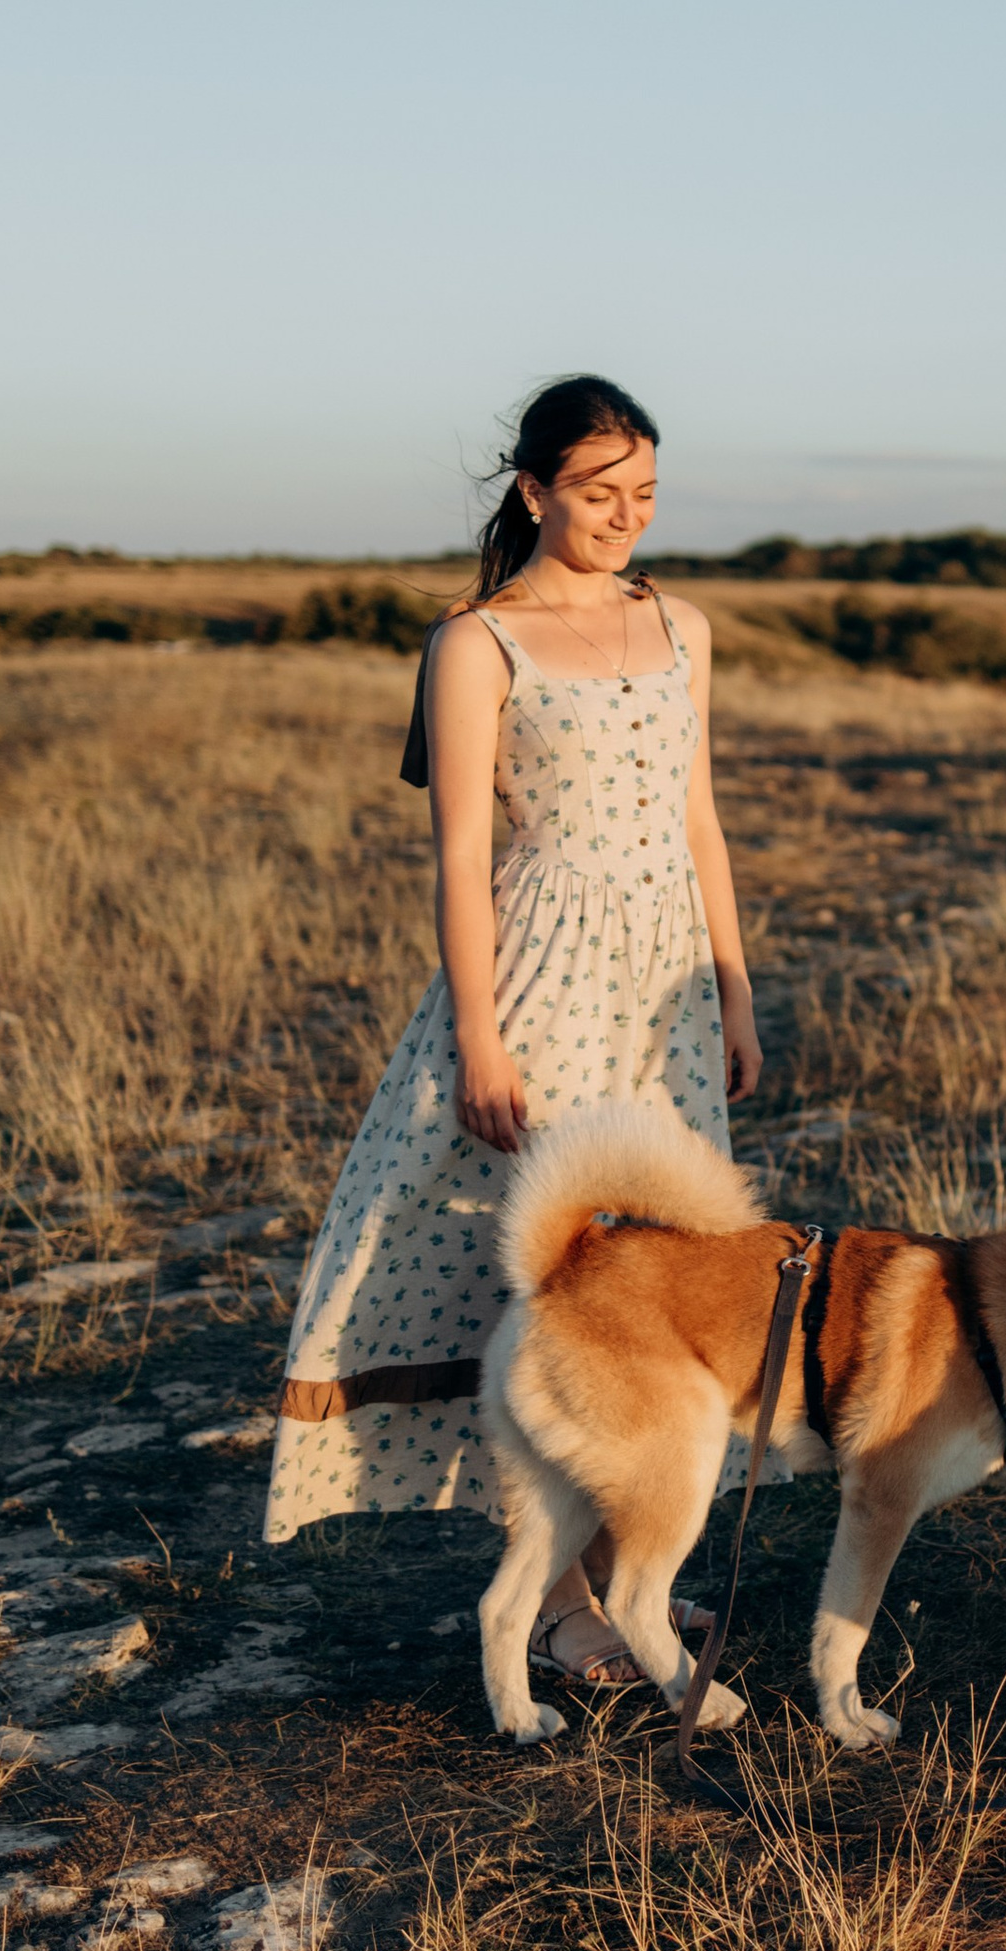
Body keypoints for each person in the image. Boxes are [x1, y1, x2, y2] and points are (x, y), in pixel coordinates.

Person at [265, 373, 765, 1690]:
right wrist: (480, 1040)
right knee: (543, 1294)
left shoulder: (684, 625)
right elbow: (464, 855)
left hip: (662, 992)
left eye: (645, 494)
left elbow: (701, 820)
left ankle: (617, 1579)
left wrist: (735, 987)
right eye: (599, 493)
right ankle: (558, 1606)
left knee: (648, 1293)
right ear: (535, 488)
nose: (625, 518)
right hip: (542, 979)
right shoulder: (476, 645)